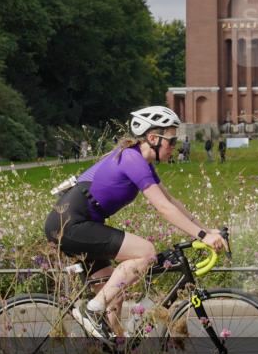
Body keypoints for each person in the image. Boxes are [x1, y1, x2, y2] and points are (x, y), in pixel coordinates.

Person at [44, 105, 226, 341]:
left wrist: (205, 230)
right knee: (146, 252)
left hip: (82, 223)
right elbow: (163, 208)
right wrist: (203, 236)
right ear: (153, 138)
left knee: (115, 293)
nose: (175, 147)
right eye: (171, 141)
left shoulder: (142, 161)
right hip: (69, 224)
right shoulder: (132, 159)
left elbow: (172, 201)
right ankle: (90, 311)